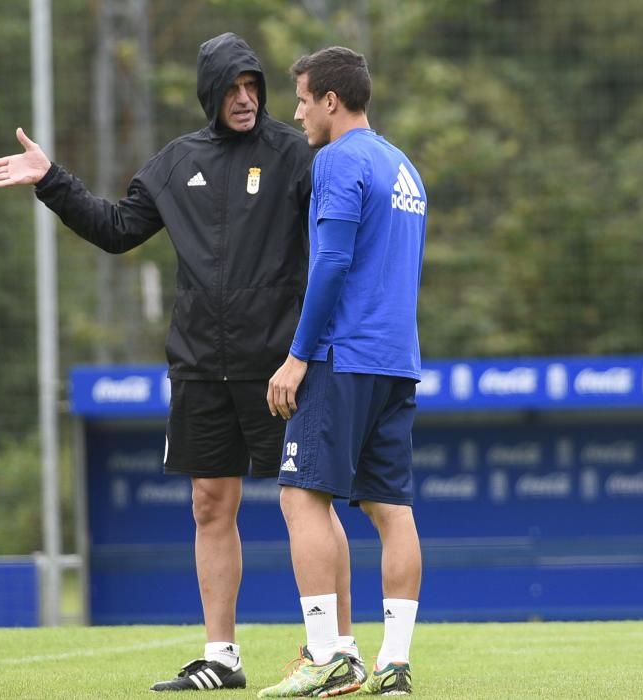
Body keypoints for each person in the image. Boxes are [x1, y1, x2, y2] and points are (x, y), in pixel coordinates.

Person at [0, 33, 361, 692]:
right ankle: (222, 658)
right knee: (210, 506)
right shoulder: (174, 161)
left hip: (279, 368)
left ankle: (337, 651)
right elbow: (117, 229)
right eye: (232, 89)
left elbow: (339, 235)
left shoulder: (297, 155)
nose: (244, 100)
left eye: (253, 88)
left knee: (309, 503)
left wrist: (312, 350)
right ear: (209, 93)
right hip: (197, 369)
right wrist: (51, 181)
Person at [258, 46, 428, 698]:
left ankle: (328, 653)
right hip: (396, 361)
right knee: (392, 509)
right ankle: (394, 664)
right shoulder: (403, 166)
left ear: (331, 100)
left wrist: (297, 357)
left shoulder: (335, 160)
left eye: (302, 98)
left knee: (301, 495)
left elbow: (330, 263)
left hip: (342, 356)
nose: (297, 111)